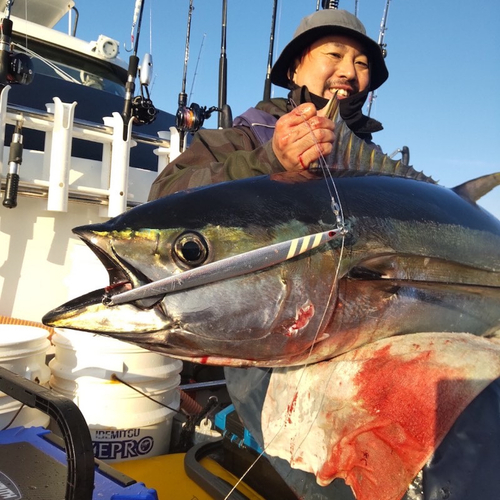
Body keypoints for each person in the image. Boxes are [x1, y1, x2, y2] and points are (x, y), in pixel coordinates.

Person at [148, 8, 388, 200]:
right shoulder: (249, 135)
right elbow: (163, 193)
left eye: (362, 64)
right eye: (335, 55)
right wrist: (271, 160)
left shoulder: (377, 161)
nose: (349, 72)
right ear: (294, 70)